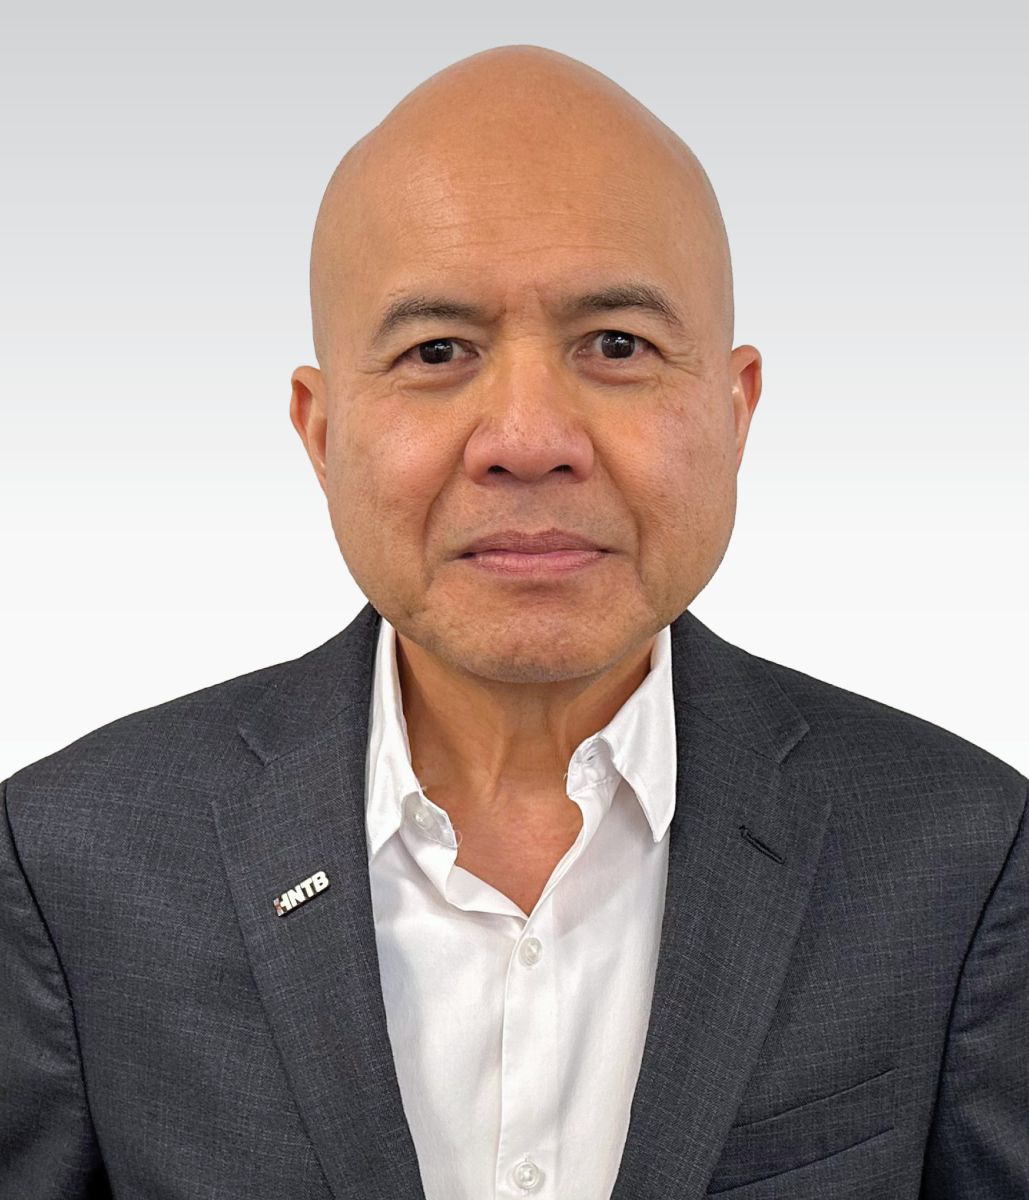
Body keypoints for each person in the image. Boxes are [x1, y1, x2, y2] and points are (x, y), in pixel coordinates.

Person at [1, 43, 1025, 1200]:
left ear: (735, 412)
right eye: (437, 352)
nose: (529, 439)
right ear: (322, 433)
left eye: (617, 346)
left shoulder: (963, 853)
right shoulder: (69, 861)